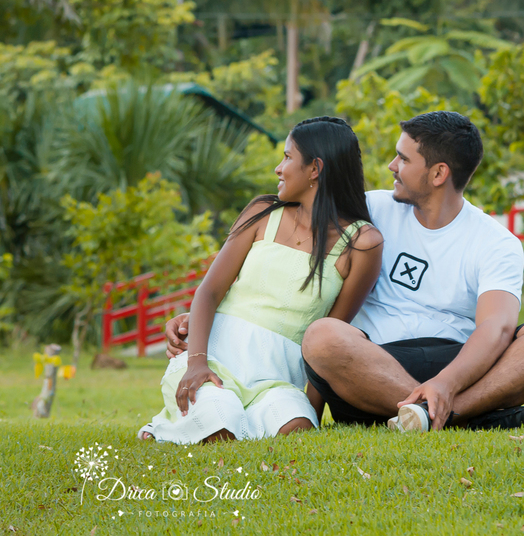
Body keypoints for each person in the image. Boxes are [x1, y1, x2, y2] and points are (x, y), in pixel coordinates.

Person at [166, 111, 524, 432]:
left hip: (460, 361)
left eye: (403, 158)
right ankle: (468, 419)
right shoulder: (371, 210)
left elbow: (494, 330)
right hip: (369, 364)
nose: (391, 165)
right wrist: (211, 318)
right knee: (323, 336)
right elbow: (288, 250)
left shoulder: (495, 241)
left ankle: (437, 414)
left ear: (439, 174)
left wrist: (445, 383)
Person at [139, 117, 383, 444]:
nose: (278, 169)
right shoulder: (263, 212)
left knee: (295, 432)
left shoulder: (362, 243)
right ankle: (165, 427)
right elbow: (210, 291)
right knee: (220, 428)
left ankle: (204, 422)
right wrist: (196, 363)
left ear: (315, 169)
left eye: (287, 157)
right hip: (216, 361)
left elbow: (331, 337)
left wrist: (309, 412)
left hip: (280, 379)